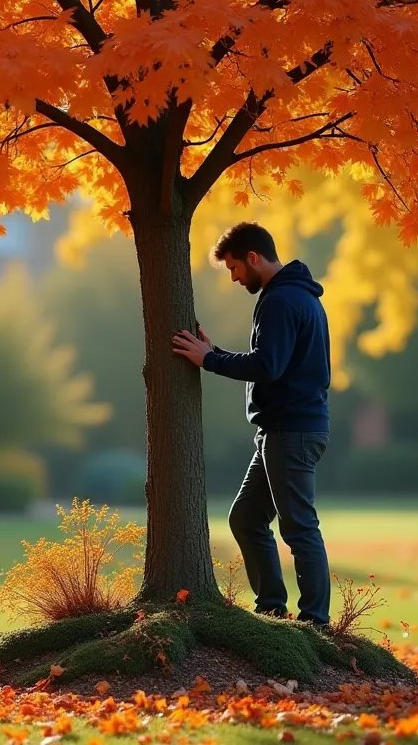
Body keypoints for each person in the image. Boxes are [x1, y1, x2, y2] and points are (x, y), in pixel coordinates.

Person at [170, 221, 333, 628]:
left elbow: (266, 365)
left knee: (299, 528)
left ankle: (316, 623)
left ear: (253, 257)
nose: (234, 277)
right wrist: (214, 352)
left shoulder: (281, 301)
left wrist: (208, 359)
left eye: (234, 268)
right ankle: (272, 609)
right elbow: (273, 360)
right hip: (281, 430)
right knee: (245, 517)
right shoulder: (297, 296)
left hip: (290, 431)